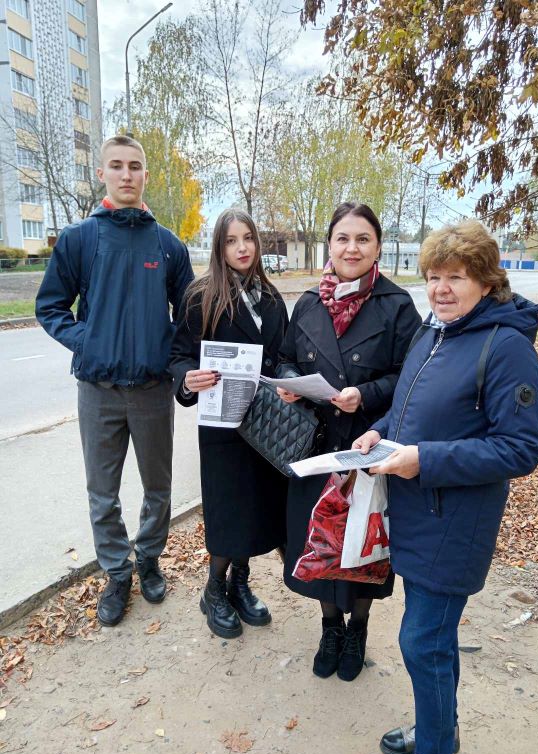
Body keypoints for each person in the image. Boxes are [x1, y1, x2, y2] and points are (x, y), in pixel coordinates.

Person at [352, 220, 538, 754]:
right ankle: (439, 728)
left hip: (454, 520)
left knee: (420, 640)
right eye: (433, 276)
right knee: (432, 638)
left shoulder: (505, 346)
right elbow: (409, 409)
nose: (439, 288)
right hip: (415, 508)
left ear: (485, 280)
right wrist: (377, 432)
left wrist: (422, 460)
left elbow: (520, 448)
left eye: (454, 277)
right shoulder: (435, 332)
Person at [36, 135, 194, 627]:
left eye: (136, 167)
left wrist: (165, 353)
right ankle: (117, 573)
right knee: (102, 493)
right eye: (117, 166)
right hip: (98, 391)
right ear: (102, 173)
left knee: (158, 489)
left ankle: (147, 558)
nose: (127, 175)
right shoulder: (80, 239)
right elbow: (51, 307)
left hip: (151, 391)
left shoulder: (168, 246)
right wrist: (89, 343)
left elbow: (187, 317)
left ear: (147, 175)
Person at [277, 202, 421, 682]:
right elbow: (285, 359)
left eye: (363, 239)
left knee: (361, 543)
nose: (352, 248)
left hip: (369, 442)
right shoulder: (308, 303)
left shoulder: (397, 305)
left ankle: (357, 628)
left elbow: (412, 376)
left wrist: (367, 395)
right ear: (329, 245)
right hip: (315, 444)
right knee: (316, 540)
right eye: (342, 238)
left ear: (377, 246)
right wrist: (290, 382)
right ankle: (329, 627)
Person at [169, 209, 289, 639]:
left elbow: (284, 356)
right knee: (228, 507)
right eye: (231, 241)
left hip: (266, 423)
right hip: (222, 426)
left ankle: (240, 584)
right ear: (220, 248)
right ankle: (214, 590)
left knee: (256, 505)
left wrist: (289, 381)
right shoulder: (201, 296)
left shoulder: (272, 298)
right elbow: (179, 355)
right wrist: (187, 378)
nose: (241, 247)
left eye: (248, 239)